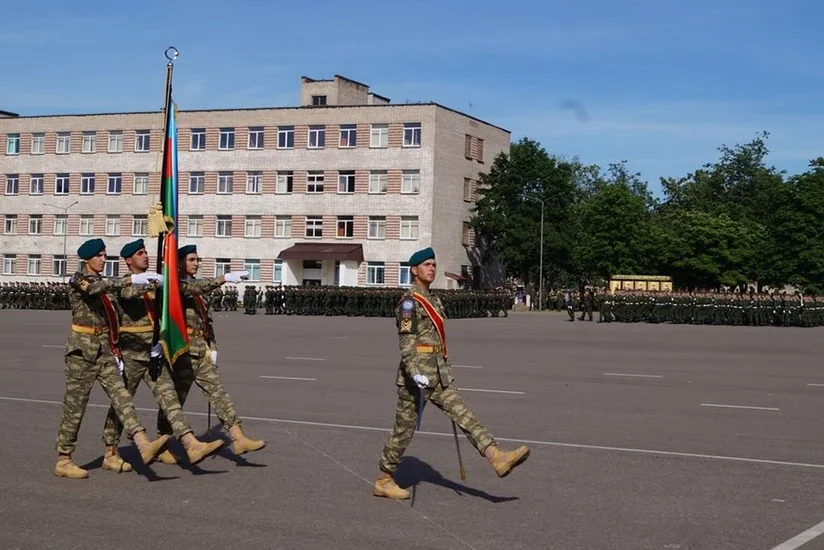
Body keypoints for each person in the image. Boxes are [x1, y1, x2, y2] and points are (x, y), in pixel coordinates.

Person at [374, 247, 530, 500]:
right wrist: (414, 372)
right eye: (426, 265)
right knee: (403, 432)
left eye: (434, 264)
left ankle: (496, 456)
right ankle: (384, 478)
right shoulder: (409, 303)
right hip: (416, 378)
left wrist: (442, 367)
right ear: (414, 270)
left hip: (438, 374)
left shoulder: (434, 300)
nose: (432, 268)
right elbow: (406, 343)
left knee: (463, 413)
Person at [99, 239, 224, 471]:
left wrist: (222, 279)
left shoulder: (155, 283)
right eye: (140, 253)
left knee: (169, 398)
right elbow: (128, 294)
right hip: (131, 355)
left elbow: (188, 289)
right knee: (122, 404)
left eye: (147, 252)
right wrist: (151, 282)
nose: (146, 256)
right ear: (128, 260)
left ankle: (189, 443)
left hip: (153, 353)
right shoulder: (122, 283)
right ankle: (110, 451)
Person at [55, 238, 169, 479]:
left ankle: (136, 445)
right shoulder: (78, 279)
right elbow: (95, 288)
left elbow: (120, 299)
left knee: (122, 398)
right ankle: (64, 459)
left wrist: (148, 283)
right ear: (87, 259)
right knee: (76, 408)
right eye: (99, 256)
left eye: (105, 255)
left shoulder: (108, 283)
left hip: (105, 350)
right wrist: (131, 278)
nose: (103, 259)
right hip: (82, 353)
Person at [156, 244, 264, 463]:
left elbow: (207, 321)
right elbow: (192, 289)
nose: (196, 264)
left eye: (197, 260)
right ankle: (162, 444)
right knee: (175, 399)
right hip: (182, 352)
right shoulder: (175, 285)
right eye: (191, 260)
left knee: (218, 393)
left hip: (201, 350)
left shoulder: (198, 288)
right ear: (179, 262)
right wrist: (223, 278)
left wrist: (212, 348)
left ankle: (237, 437)